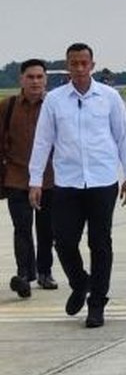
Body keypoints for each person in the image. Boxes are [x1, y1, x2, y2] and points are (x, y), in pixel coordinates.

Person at [28, 43, 126, 328]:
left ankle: (97, 302)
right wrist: (35, 180)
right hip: (68, 183)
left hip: (102, 181)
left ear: (92, 65)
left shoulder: (110, 97)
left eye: (83, 63)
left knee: (100, 242)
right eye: (73, 63)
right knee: (63, 241)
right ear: (67, 66)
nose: (78, 68)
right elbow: (43, 142)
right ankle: (80, 282)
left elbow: (123, 136)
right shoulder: (54, 100)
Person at [1, 59, 57, 297]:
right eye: (30, 77)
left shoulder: (54, 105)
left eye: (39, 77)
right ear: (21, 79)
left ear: (46, 79)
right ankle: (24, 274)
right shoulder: (8, 106)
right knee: (22, 228)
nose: (35, 81)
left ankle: (45, 272)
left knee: (47, 229)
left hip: (49, 179)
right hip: (17, 177)